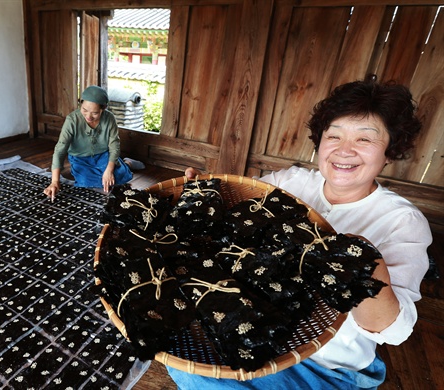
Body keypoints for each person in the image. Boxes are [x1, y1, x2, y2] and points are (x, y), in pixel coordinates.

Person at [174, 76, 432, 389]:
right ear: (320, 141)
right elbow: (234, 221)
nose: (344, 151)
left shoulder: (402, 221)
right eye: (334, 136)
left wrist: (365, 264)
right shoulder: (291, 183)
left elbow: (394, 331)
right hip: (260, 337)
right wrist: (204, 197)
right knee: (182, 360)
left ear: (390, 151)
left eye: (365, 140)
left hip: (326, 367)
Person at [43, 85, 144, 201]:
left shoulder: (109, 118)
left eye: (95, 113)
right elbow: (60, 150)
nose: (88, 116)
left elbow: (114, 145)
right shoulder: (72, 120)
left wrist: (109, 170)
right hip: (79, 158)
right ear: (81, 104)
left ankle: (127, 163)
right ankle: (120, 164)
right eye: (84, 110)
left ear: (104, 108)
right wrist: (55, 181)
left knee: (118, 177)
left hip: (103, 155)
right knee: (86, 182)